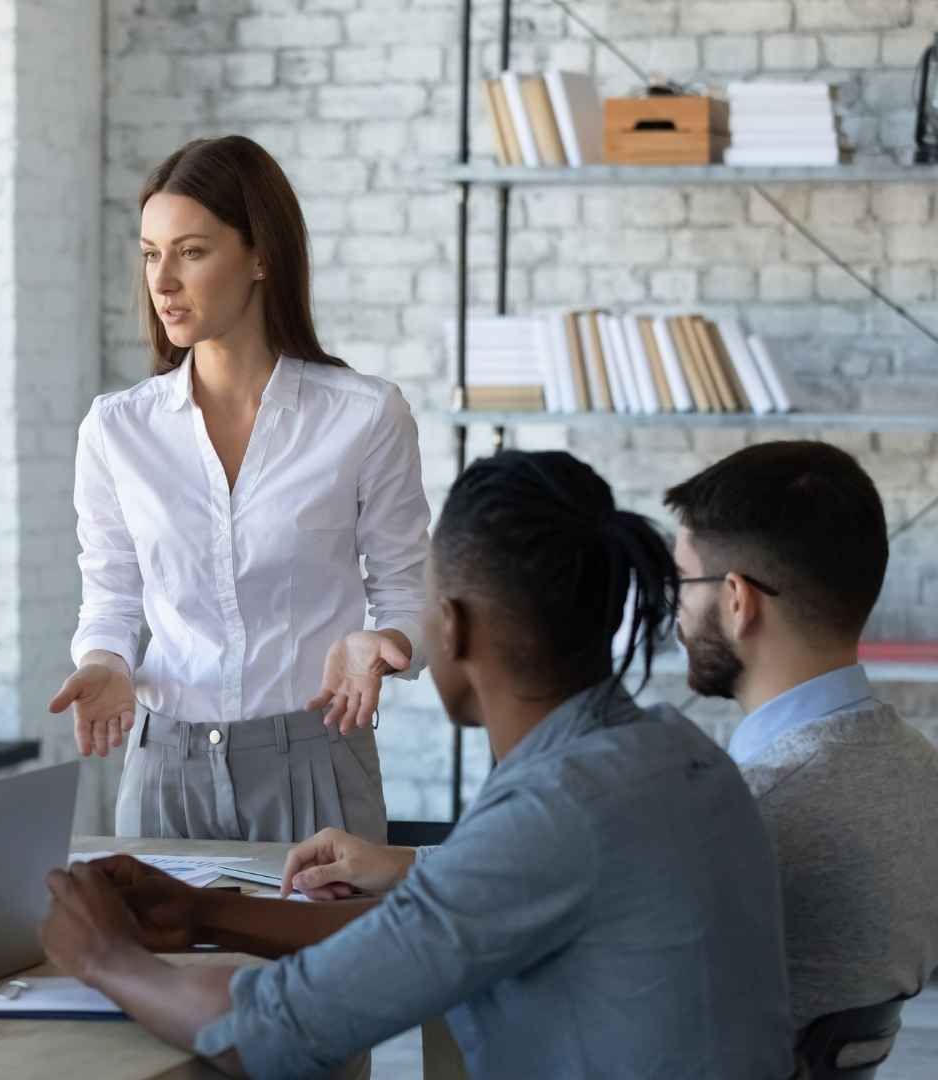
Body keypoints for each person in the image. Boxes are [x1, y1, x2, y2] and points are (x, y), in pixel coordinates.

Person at [39, 450, 795, 1079]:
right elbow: (425, 931)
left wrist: (107, 958)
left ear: (453, 628)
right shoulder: (673, 753)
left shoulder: (556, 810)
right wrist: (204, 911)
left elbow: (276, 1030)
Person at [49, 134, 431, 843]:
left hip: (317, 758)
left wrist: (382, 640)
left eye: (191, 252)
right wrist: (104, 662)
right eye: (151, 254)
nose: (163, 281)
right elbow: (110, 596)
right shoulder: (116, 429)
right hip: (163, 768)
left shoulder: (366, 416)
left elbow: (408, 586)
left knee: (332, 925)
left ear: (261, 256)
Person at [666, 440, 938, 1033]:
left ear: (737, 601)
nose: (676, 611)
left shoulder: (744, 813)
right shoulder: (923, 771)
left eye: (682, 581)